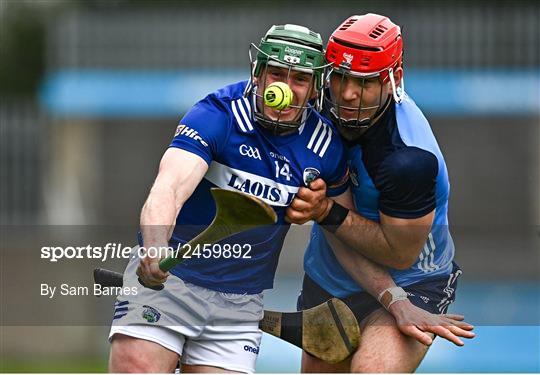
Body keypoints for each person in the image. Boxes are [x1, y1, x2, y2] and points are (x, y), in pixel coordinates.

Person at [107, 24, 351, 373]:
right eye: (276, 73)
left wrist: (322, 208)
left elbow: (346, 222)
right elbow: (169, 186)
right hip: (169, 280)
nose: (285, 88)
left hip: (240, 303)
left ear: (314, 88)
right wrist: (155, 245)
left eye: (299, 79)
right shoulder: (218, 115)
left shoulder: (325, 146)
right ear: (258, 73)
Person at [286, 14, 475, 372]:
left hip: (414, 279)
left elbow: (399, 254)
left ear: (393, 79)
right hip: (329, 277)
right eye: (339, 78)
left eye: (364, 82)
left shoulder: (408, 159)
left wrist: (325, 211)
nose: (347, 94)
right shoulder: (316, 107)